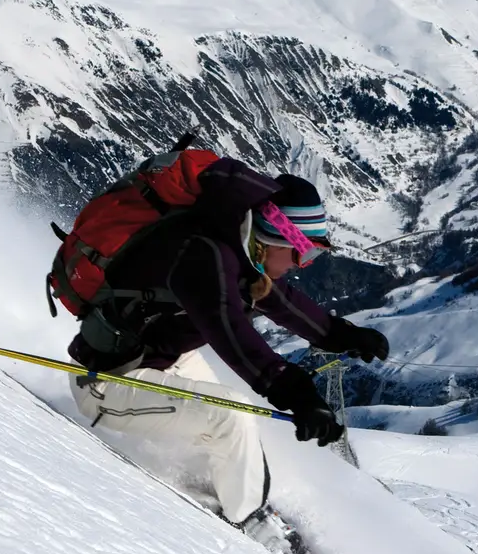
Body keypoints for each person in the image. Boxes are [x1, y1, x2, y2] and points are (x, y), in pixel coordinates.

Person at [64, 157, 389, 458]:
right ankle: (249, 517)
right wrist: (296, 392)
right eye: (303, 254)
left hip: (160, 359)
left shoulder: (236, 247)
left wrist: (341, 335)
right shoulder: (205, 259)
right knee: (231, 418)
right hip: (106, 380)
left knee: (229, 427)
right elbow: (232, 332)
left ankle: (225, 493)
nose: (301, 266)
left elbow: (282, 301)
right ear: (276, 236)